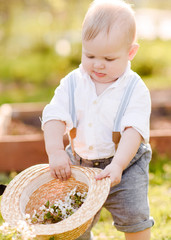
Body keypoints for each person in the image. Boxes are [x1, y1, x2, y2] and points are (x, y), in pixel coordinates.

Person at [42, 0, 154, 239]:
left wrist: (118, 165)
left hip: (125, 164)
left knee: (134, 215)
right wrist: (55, 151)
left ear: (130, 52)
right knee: (76, 220)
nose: (98, 64)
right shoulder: (73, 83)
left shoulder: (135, 89)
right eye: (89, 54)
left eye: (109, 59)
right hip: (80, 163)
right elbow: (54, 116)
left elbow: (133, 131)